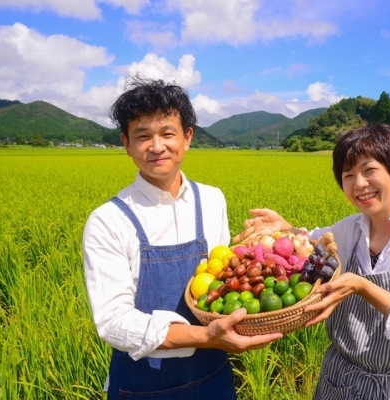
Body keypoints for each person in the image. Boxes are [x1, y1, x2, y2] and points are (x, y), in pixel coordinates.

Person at [234, 123, 390, 399]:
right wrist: (287, 228)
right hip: (337, 381)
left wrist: (363, 287)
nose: (359, 184)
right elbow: (313, 241)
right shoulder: (348, 230)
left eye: (369, 170)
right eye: (349, 175)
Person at [83, 77, 282, 399]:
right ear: (126, 143)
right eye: (143, 136)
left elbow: (219, 278)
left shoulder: (212, 199)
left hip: (213, 376)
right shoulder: (108, 220)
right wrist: (204, 337)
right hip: (142, 385)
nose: (157, 146)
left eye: (167, 133)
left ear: (187, 137)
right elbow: (113, 322)